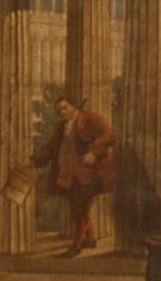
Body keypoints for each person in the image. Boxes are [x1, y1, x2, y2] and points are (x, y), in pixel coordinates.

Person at [33, 94, 115, 257]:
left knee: (80, 210)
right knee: (80, 208)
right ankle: (90, 238)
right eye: (59, 110)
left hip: (91, 173)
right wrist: (33, 160)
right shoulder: (62, 127)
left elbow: (109, 135)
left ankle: (76, 245)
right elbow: (50, 148)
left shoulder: (90, 119)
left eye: (65, 108)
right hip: (70, 175)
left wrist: (93, 152)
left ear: (74, 106)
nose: (62, 112)